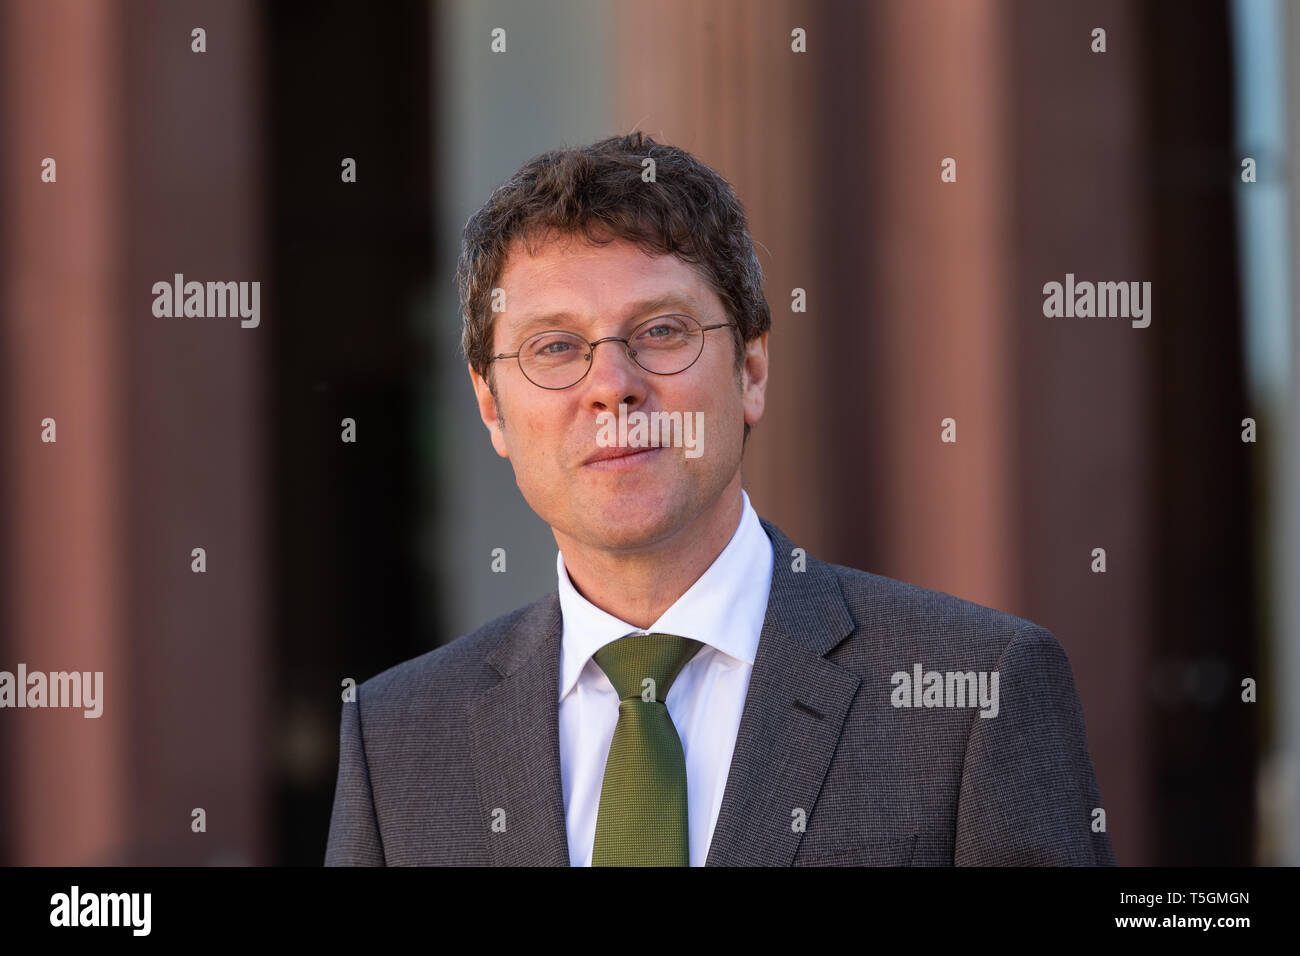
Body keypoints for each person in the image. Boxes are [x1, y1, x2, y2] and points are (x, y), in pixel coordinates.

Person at [324, 132, 1115, 866]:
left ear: (752, 370)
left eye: (662, 331)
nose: (612, 387)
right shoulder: (397, 740)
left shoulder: (974, 693)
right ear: (492, 407)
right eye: (555, 347)